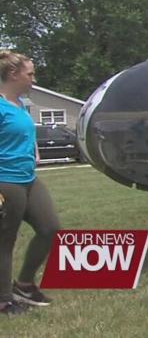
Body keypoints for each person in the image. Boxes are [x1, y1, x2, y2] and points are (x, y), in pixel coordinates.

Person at [0, 51, 60, 314]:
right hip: (5, 181)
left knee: (50, 228)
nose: (33, 78)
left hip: (29, 179)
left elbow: (24, 132)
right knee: (5, 241)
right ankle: (3, 301)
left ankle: (24, 284)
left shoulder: (20, 104)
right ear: (13, 75)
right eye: (30, 73)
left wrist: (33, 149)